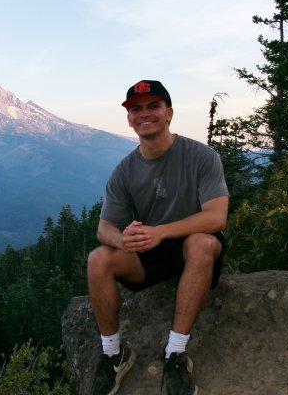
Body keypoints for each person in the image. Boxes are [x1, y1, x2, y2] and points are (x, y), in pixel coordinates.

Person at [88, 80, 229, 395]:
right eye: (136, 109)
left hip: (192, 249)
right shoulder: (124, 171)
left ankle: (176, 353)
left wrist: (160, 232)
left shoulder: (202, 157)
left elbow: (216, 217)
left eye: (153, 106)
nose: (144, 114)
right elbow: (104, 228)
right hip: (152, 252)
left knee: (203, 242)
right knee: (98, 259)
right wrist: (123, 241)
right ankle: (113, 354)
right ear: (129, 119)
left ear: (169, 113)